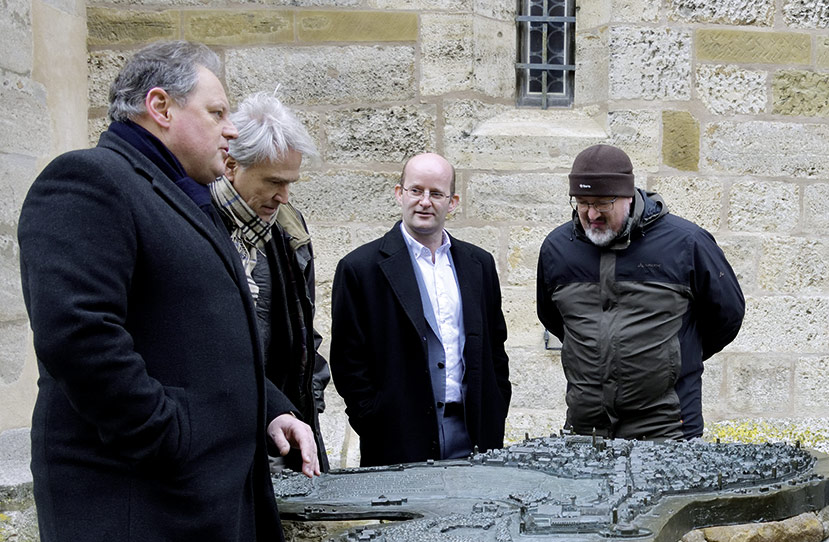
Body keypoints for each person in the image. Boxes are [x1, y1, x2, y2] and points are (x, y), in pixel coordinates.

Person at [18, 41, 316, 542]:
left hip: (177, 519)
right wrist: (176, 437)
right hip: (134, 521)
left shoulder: (180, 195)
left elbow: (200, 343)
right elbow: (82, 340)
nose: (229, 131)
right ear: (160, 106)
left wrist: (270, 409)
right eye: (217, 112)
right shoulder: (89, 181)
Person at [537, 143, 745, 439]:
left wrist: (673, 356)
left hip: (666, 427)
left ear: (628, 197)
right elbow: (555, 320)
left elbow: (727, 317)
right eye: (581, 202)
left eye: (602, 203)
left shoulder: (687, 243)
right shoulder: (558, 248)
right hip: (587, 428)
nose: (591, 213)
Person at [330, 152, 511, 466]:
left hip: (474, 436)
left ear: (452, 202)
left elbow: (495, 347)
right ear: (400, 193)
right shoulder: (359, 268)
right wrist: (373, 419)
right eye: (416, 190)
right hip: (396, 437)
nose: (425, 202)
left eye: (436, 193)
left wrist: (496, 406)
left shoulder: (478, 264)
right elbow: (348, 362)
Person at [212, 91, 331, 472]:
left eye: (290, 183)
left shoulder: (287, 230)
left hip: (278, 427)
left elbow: (302, 336)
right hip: (217, 437)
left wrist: (302, 406)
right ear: (231, 165)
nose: (283, 196)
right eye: (274, 182)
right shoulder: (194, 224)